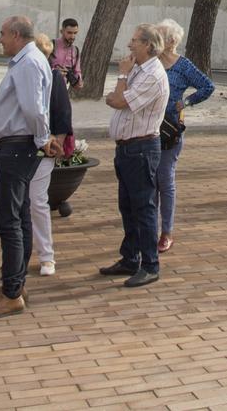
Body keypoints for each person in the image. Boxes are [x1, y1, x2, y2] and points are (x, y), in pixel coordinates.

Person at [0, 15, 59, 320]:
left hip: (18, 147)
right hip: (18, 146)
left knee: (9, 220)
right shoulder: (27, 60)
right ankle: (14, 285)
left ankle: (11, 292)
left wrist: (41, 137)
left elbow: (34, 107)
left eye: (3, 34)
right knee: (19, 216)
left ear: (17, 36)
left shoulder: (28, 62)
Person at [97, 23, 169, 289]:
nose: (130, 44)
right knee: (128, 206)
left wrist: (121, 78)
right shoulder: (139, 69)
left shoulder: (152, 74)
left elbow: (116, 100)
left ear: (148, 45)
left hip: (141, 149)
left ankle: (150, 265)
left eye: (135, 40)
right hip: (127, 149)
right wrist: (121, 88)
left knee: (144, 207)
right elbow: (116, 100)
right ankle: (131, 257)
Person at [151, 18, 213, 256]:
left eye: (160, 36)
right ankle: (149, 229)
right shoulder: (151, 62)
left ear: (172, 41)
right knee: (150, 182)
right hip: (148, 128)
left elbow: (207, 86)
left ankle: (166, 232)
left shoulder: (183, 65)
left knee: (165, 179)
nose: (156, 41)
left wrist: (185, 102)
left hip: (170, 129)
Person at [25, 31, 75, 276]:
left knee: (37, 202)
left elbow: (63, 114)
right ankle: (19, 255)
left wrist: (57, 143)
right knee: (20, 204)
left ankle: (46, 256)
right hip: (19, 149)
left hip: (44, 149)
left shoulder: (54, 77)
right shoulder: (21, 74)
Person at [52, 18, 83, 90]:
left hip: (63, 90)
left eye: (75, 33)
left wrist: (79, 81)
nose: (72, 36)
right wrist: (55, 72)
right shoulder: (51, 45)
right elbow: (41, 67)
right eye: (69, 33)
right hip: (48, 89)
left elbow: (77, 71)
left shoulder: (75, 50)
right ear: (62, 31)